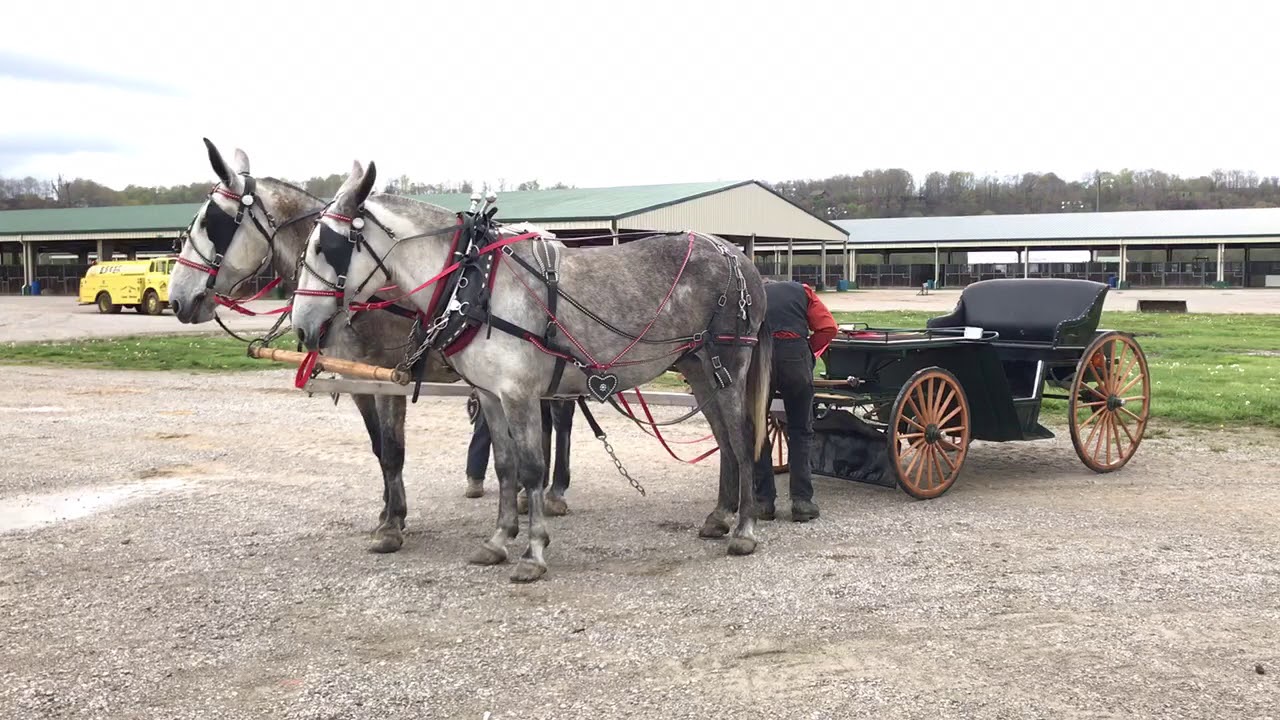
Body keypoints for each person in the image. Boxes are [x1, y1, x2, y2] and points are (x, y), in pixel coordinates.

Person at [753, 279, 837, 522]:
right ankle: (802, 502)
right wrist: (808, 351)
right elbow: (828, 328)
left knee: (757, 431)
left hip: (761, 361)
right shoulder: (803, 291)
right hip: (795, 360)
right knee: (800, 431)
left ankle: (763, 502)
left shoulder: (752, 291)